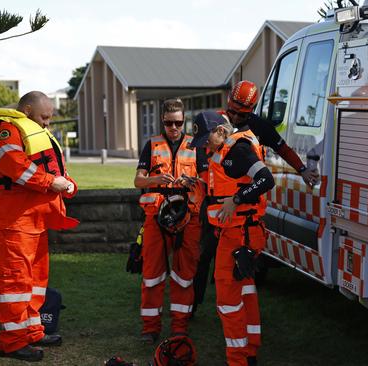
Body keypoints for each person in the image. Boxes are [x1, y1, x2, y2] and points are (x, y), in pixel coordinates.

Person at [192, 80, 320, 315]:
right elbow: (201, 152)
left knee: (240, 267)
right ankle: (193, 306)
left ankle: (238, 313)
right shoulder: (217, 123)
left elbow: (282, 149)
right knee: (203, 256)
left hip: (242, 214)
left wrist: (302, 169)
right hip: (214, 206)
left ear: (250, 110)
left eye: (240, 113)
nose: (234, 117)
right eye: (231, 111)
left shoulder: (258, 127)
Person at [0, 91, 79, 362]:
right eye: (44, 117)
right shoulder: (3, 130)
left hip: (33, 219)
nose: (47, 124)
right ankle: (12, 342)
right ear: (26, 111)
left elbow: (54, 168)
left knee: (35, 282)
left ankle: (33, 332)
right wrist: (52, 183)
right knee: (15, 283)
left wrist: (68, 184)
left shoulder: (35, 132)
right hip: (11, 220)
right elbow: (17, 167)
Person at [190, 111, 275, 366]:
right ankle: (249, 353)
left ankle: (238, 359)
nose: (205, 145)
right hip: (237, 231)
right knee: (245, 291)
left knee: (227, 300)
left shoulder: (238, 150)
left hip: (240, 233)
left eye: (207, 139)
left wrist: (237, 199)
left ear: (220, 132)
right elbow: (226, 185)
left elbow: (266, 179)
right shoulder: (224, 153)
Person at [134, 98, 204, 346]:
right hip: (157, 217)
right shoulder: (151, 145)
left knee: (184, 276)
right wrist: (157, 181)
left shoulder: (197, 146)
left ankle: (179, 328)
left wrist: (192, 182)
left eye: (178, 122)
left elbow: (208, 182)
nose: (173, 127)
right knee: (152, 275)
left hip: (188, 219)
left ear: (184, 121)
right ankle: (150, 328)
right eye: (168, 123)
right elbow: (138, 181)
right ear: (162, 121)